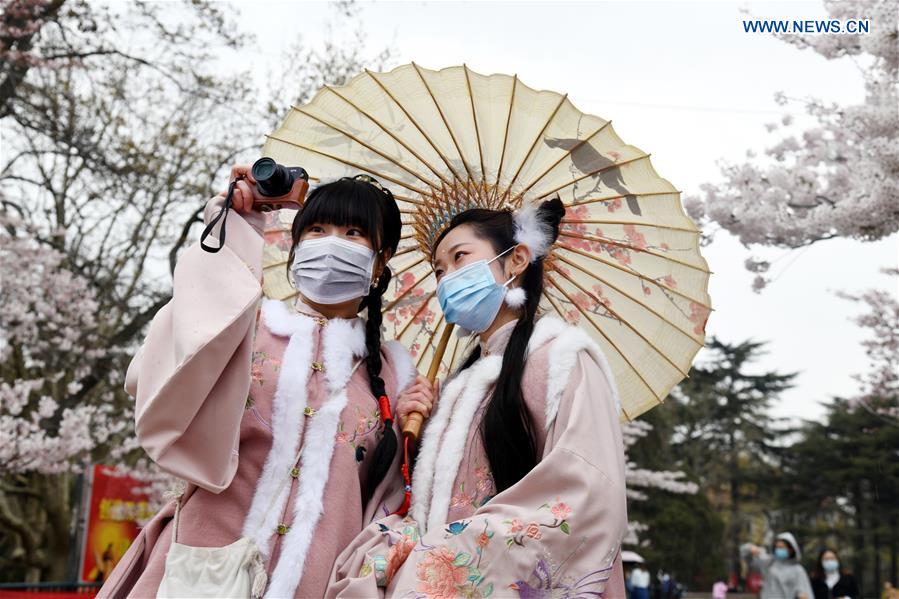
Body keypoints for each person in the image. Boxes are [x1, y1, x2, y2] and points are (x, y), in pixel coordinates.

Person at [98, 168, 424, 598]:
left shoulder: (394, 376)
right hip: (202, 569)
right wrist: (237, 225)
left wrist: (413, 433)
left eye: (353, 233)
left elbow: (389, 502)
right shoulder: (245, 326)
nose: (331, 243)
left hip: (319, 583)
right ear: (295, 246)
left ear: (380, 262)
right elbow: (158, 368)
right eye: (318, 229)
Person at [328, 198, 628, 597]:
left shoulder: (562, 358)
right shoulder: (460, 384)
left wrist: (442, 557)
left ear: (517, 259)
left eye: (459, 258)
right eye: (439, 270)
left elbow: (586, 492)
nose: (447, 279)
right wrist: (413, 431)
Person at [746, 533, 814, 599]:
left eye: (781, 547)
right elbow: (748, 559)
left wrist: (802, 595)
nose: (778, 550)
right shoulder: (769, 563)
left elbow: (804, 592)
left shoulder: (797, 570)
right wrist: (750, 549)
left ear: (790, 549)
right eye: (777, 547)